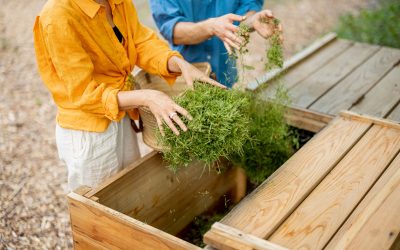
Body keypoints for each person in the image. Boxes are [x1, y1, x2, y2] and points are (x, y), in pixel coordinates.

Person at [33, 0, 224, 191]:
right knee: (98, 207)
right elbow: (85, 94)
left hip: (121, 111)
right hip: (89, 131)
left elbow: (140, 42)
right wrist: (147, 97)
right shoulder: (58, 16)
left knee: (129, 192)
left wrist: (177, 63)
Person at [149, 0, 280, 88]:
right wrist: (210, 28)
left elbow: (248, 6)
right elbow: (171, 29)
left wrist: (252, 21)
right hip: (187, 75)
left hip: (225, 70)